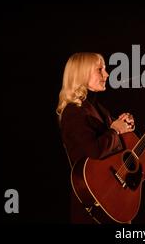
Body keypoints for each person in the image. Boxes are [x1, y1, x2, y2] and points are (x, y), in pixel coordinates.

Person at [56, 52, 136, 224]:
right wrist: (115, 130)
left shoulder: (96, 107)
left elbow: (114, 146)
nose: (106, 74)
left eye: (105, 69)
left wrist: (124, 126)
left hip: (110, 196)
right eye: (100, 70)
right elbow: (94, 150)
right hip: (93, 201)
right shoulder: (73, 112)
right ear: (82, 74)